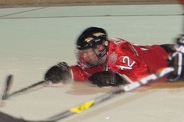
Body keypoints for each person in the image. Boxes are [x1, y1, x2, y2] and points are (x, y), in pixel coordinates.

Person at [43, 27, 174, 87]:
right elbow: (87, 72)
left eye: (87, 52)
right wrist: (67, 72)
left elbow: (144, 74)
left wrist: (118, 80)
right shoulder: (97, 57)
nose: (84, 56)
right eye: (82, 52)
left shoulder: (119, 54)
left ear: (100, 48)